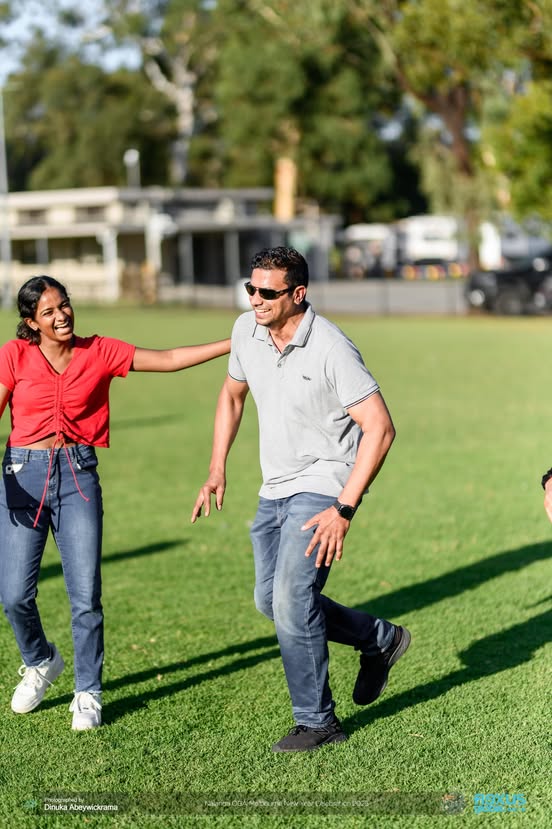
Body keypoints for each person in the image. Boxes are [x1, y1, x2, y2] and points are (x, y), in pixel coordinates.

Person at [191, 246, 411, 752]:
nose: (256, 299)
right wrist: (216, 467)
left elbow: (380, 429)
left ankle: (319, 723)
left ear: (298, 294)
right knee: (270, 600)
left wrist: (343, 510)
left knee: (291, 600)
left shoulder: (331, 347)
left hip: (327, 483)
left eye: (268, 293)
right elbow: (231, 394)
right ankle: (380, 640)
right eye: (251, 289)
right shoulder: (247, 331)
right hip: (275, 486)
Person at [0, 275, 230, 731]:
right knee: (13, 596)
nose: (61, 315)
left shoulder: (100, 350)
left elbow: (167, 360)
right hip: (22, 476)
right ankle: (41, 660)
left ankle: (88, 691)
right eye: (48, 312)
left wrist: (233, 342)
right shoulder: (14, 355)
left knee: (85, 595)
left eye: (64, 305)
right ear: (32, 322)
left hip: (78, 478)